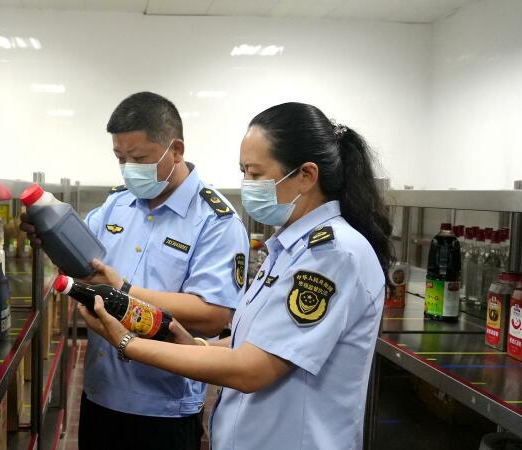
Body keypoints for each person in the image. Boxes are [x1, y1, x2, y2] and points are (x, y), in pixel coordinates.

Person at [79, 102, 392, 450]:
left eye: (255, 174)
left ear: (306, 175)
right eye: (243, 172)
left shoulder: (331, 254)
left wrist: (129, 343)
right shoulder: (289, 249)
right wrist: (197, 346)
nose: (247, 185)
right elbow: (257, 341)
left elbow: (252, 368)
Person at [21, 92, 249, 450]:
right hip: (100, 394)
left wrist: (124, 290)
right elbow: (84, 268)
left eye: (139, 158)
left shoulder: (216, 221)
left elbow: (213, 316)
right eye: (120, 158)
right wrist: (51, 239)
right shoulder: (117, 204)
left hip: (162, 408)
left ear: (176, 150)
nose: (129, 168)